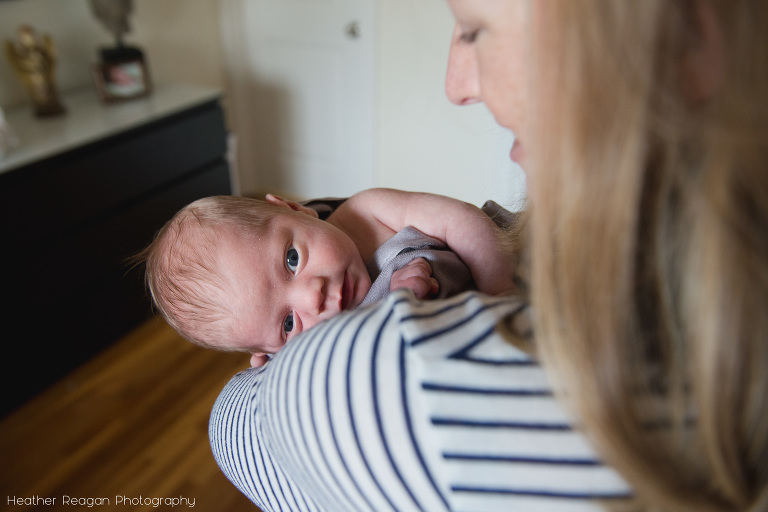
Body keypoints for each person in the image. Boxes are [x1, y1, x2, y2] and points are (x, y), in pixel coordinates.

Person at [209, 1, 768, 511]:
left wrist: (495, 289)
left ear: (691, 31)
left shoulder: (391, 373)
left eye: (475, 29)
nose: (456, 86)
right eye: (284, 321)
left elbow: (232, 420)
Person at [139, 189, 515, 367]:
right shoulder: (321, 347)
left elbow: (460, 219)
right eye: (287, 323)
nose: (313, 296)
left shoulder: (368, 212)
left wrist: (502, 293)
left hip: (506, 253)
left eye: (291, 259)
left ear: (294, 210)